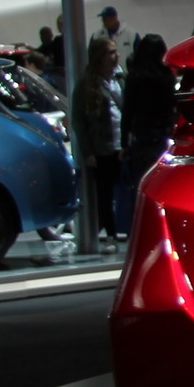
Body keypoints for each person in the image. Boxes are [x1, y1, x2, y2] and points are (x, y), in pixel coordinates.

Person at [117, 34, 174, 236]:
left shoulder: (135, 76)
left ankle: (141, 227)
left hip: (141, 136)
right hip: (163, 135)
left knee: (140, 183)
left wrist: (124, 141)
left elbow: (128, 111)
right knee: (162, 183)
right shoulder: (167, 75)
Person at [75, 33, 124, 242]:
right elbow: (79, 120)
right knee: (104, 193)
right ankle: (111, 232)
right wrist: (88, 151)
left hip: (123, 144)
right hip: (102, 146)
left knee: (124, 189)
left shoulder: (120, 79)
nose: (116, 56)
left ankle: (123, 227)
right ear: (99, 56)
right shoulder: (87, 85)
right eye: (110, 52)